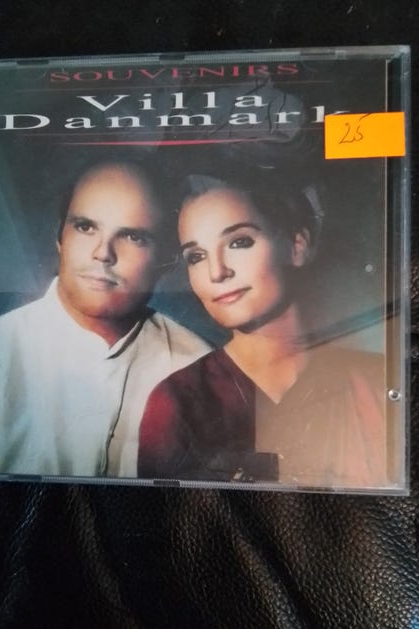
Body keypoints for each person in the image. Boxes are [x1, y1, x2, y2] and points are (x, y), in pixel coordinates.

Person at [138, 173, 393, 488]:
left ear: (297, 246)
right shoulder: (178, 401)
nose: (217, 272)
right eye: (196, 257)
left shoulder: (378, 381)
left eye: (239, 242)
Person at [0, 162, 210, 477]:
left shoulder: (199, 367)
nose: (103, 253)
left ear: (166, 260)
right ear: (60, 237)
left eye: (133, 236)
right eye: (85, 227)